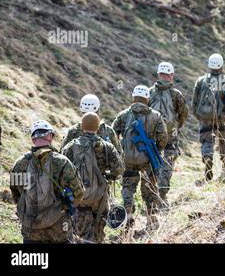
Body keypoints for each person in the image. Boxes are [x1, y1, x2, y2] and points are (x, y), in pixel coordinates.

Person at [10, 120, 85, 243]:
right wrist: (62, 207)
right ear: (50, 136)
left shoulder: (19, 164)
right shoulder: (62, 162)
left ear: (33, 139)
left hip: (31, 228)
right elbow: (79, 194)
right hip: (59, 228)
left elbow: (16, 194)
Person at [112, 85, 168, 230]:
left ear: (133, 97)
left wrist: (120, 151)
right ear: (147, 98)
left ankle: (128, 215)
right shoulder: (155, 115)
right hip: (147, 160)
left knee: (127, 187)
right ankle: (151, 219)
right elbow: (163, 138)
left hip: (127, 160)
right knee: (149, 187)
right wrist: (156, 150)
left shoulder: (123, 115)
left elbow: (112, 135)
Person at [62, 112, 124, 243]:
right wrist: (107, 176)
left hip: (79, 196)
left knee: (82, 233)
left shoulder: (70, 147)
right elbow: (119, 169)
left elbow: (61, 172)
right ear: (97, 128)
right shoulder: (107, 147)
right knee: (99, 231)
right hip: (100, 196)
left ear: (82, 127)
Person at [192, 53, 225, 184]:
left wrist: (199, 115)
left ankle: (207, 157)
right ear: (221, 65)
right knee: (224, 140)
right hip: (224, 117)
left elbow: (194, 101)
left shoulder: (201, 81)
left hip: (205, 116)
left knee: (206, 140)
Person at [149, 62, 188, 208]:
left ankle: (150, 197)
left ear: (158, 74)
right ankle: (162, 195)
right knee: (168, 162)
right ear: (171, 76)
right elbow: (183, 113)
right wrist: (177, 126)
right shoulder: (176, 94)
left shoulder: (149, 92)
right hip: (170, 134)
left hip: (151, 135)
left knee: (151, 162)